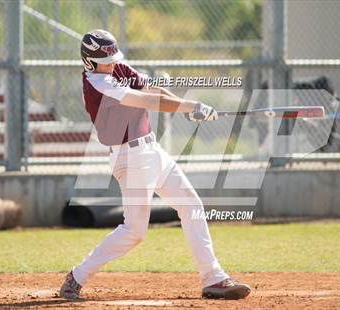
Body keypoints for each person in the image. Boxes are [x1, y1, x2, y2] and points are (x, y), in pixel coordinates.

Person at [59, 29, 251, 300]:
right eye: (106, 59)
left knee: (191, 205)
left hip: (152, 150)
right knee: (135, 231)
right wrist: (190, 106)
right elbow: (143, 100)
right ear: (89, 61)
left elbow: (153, 90)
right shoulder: (97, 84)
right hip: (131, 158)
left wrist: (189, 107)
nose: (113, 62)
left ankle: (213, 278)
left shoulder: (118, 69)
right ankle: (77, 276)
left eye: (114, 57)